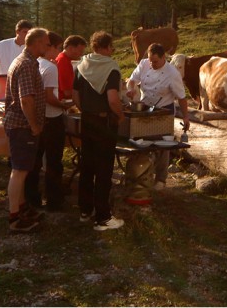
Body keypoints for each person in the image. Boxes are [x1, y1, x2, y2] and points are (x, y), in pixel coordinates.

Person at [72, 31, 125, 231]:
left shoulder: (81, 65)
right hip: (104, 123)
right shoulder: (110, 68)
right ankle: (103, 217)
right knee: (104, 169)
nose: (112, 51)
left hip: (87, 120)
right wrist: (120, 115)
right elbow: (113, 98)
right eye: (112, 47)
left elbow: (74, 94)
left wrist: (84, 109)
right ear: (106, 47)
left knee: (87, 166)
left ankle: (85, 210)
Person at [126, 42, 191, 190]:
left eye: (155, 61)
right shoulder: (144, 64)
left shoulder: (172, 74)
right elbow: (132, 80)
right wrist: (131, 90)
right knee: (139, 141)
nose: (152, 64)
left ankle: (161, 179)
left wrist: (186, 117)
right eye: (150, 60)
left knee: (163, 145)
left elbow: (181, 97)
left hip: (164, 111)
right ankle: (139, 174)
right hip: (144, 108)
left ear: (163, 58)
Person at [3, 27, 49, 232]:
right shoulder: (28, 65)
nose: (47, 47)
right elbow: (26, 99)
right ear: (37, 43)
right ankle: (14, 217)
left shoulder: (22, 61)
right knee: (19, 170)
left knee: (21, 168)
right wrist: (34, 125)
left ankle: (21, 207)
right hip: (22, 125)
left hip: (18, 124)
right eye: (46, 43)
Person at [25, 31, 73, 211]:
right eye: (58, 48)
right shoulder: (51, 68)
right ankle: (54, 199)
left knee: (35, 161)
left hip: (37, 117)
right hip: (52, 118)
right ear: (49, 47)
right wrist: (63, 105)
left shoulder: (35, 64)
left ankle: (32, 198)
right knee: (53, 161)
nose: (58, 52)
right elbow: (48, 97)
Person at [0, 19, 34, 101]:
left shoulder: (32, 48)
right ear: (17, 31)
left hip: (26, 89)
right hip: (5, 90)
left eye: (30, 33)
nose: (27, 35)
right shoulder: (2, 46)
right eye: (25, 32)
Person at [56, 35, 87, 101]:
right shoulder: (64, 62)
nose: (81, 54)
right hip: (63, 102)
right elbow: (68, 92)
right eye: (80, 51)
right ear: (70, 48)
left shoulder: (62, 59)